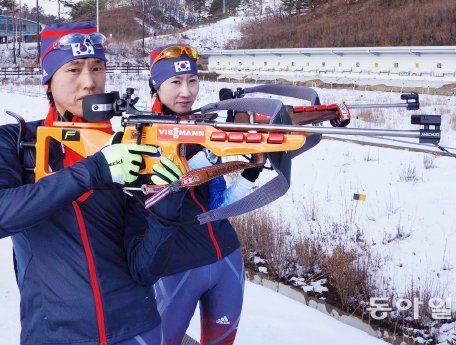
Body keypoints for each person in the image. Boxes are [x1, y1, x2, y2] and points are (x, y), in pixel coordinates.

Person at [0, 22, 184, 345]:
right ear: (48, 81)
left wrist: (165, 210)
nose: (89, 82)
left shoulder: (126, 144)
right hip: (53, 334)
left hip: (136, 331)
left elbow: (144, 268)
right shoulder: (16, 141)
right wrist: (93, 171)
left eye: (97, 67)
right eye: (73, 69)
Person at [148, 44, 263, 345]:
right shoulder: (141, 134)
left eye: (193, 81)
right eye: (175, 82)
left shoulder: (204, 127)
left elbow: (219, 206)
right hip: (176, 268)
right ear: (156, 86)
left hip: (226, 259)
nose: (186, 92)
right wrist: (210, 154)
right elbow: (160, 193)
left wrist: (250, 171)